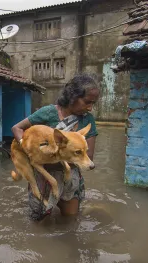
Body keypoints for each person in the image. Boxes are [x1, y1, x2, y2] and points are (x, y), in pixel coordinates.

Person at [11, 73, 100, 221]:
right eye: (87, 102)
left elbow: (88, 157)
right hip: (43, 174)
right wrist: (27, 149)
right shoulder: (48, 113)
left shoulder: (87, 120)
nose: (90, 108)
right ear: (73, 96)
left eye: (93, 103)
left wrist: (56, 155)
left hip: (70, 177)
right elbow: (16, 129)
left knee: (70, 220)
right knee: (40, 221)